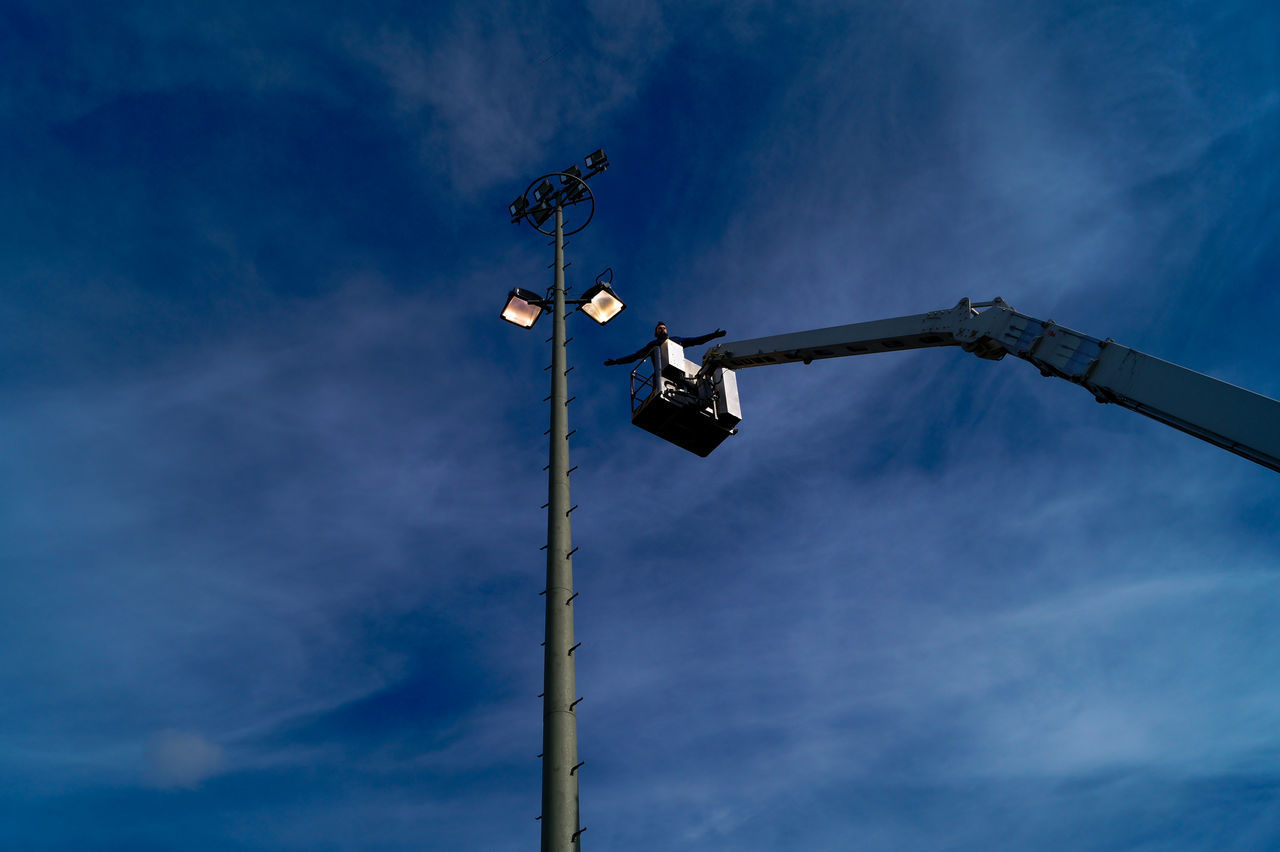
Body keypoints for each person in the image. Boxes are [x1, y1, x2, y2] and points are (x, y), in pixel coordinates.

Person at [602, 322, 727, 366]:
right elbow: (634, 357)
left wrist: (713, 335)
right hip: (660, 375)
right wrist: (616, 361)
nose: (662, 329)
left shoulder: (676, 340)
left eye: (664, 328)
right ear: (656, 332)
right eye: (659, 328)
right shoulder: (652, 345)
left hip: (678, 371)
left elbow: (696, 341)